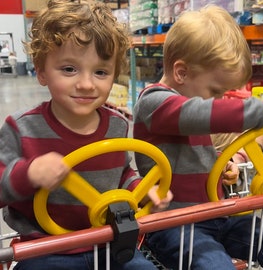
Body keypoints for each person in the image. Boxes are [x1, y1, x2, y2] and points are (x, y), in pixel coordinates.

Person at [0, 1, 172, 269]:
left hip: (109, 241)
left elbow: (122, 174)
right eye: (69, 69)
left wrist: (141, 190)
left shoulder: (116, 126)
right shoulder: (21, 129)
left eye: (101, 72)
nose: (86, 84)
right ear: (42, 70)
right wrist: (28, 174)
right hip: (46, 248)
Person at [133, 5, 263, 270]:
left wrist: (227, 165)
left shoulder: (194, 106)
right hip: (172, 222)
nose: (220, 100)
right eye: (215, 90)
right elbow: (203, 114)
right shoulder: (155, 104)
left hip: (218, 212)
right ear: (181, 72)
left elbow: (198, 153)